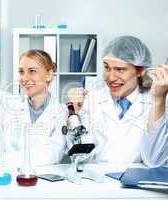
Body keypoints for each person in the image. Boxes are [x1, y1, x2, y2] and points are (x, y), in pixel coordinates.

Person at [0, 22, 67, 168]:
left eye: (32, 71)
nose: (24, 78)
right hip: (3, 181)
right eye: (21, 72)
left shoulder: (61, 112)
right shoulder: (7, 103)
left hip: (39, 183)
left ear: (49, 75)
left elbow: (52, 153)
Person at [67, 35, 168, 167]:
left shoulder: (157, 102)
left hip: (135, 185)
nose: (111, 78)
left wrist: (158, 100)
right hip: (95, 183)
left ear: (141, 70)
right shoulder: (92, 99)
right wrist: (76, 115)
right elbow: (79, 157)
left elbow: (153, 160)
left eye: (120, 69)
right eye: (107, 68)